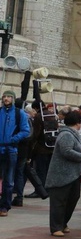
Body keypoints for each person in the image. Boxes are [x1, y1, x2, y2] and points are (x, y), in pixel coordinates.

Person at [45, 110, 81, 235]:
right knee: (59, 201)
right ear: (78, 123)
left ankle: (63, 223)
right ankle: (56, 227)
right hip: (61, 174)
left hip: (73, 173)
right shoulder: (66, 135)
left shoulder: (74, 134)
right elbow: (66, 151)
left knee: (73, 198)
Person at [0, 88, 30, 216]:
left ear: (12, 99)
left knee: (8, 179)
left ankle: (5, 206)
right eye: (4, 96)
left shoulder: (20, 113)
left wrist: (14, 139)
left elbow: (25, 130)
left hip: (11, 149)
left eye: (8, 96)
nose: (6, 98)